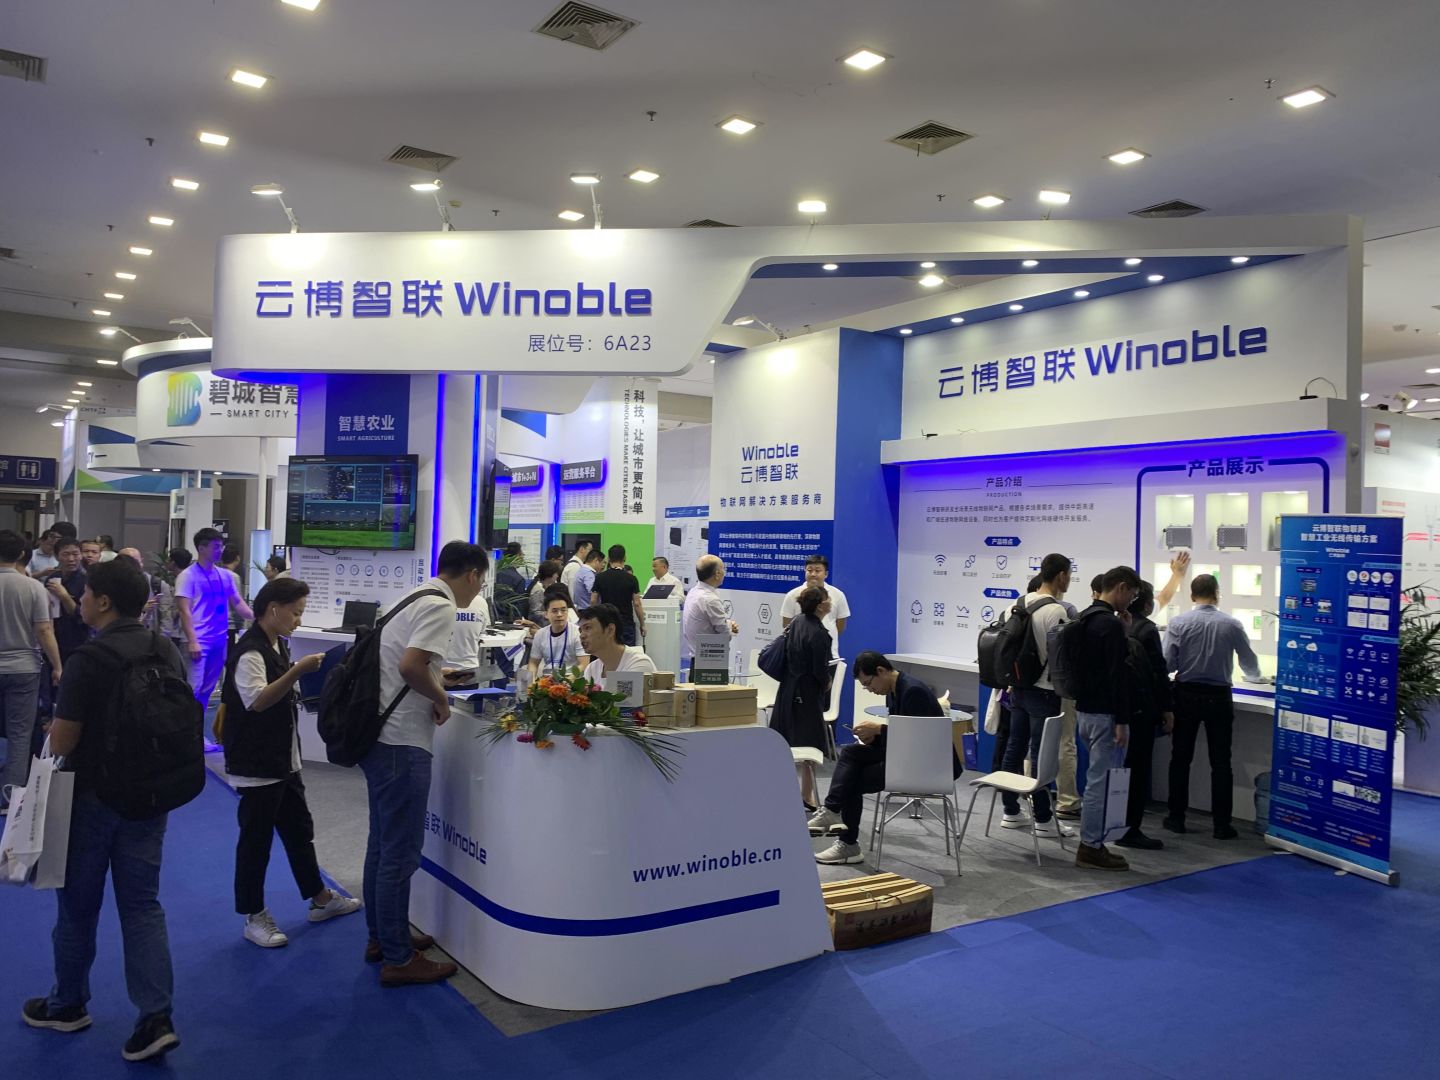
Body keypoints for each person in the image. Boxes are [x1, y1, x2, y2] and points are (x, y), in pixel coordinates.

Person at [21, 559, 186, 1062]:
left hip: (90, 798)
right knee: (142, 906)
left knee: (77, 906)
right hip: (150, 797)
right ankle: (155, 1017)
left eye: (88, 593)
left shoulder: (88, 659)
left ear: (104, 601)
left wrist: (52, 730)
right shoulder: (164, 649)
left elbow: (64, 740)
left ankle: (68, 1003)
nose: (82, 600)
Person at [363, 540, 487, 986]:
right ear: (472, 574)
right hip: (402, 741)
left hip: (379, 736)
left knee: (382, 845)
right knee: (399, 852)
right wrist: (440, 697)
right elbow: (411, 666)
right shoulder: (441, 605)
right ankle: (398, 959)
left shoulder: (413, 595)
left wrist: (438, 676)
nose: (479, 590)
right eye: (481, 581)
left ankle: (383, 937)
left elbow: (409, 662)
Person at [221, 576, 361, 948]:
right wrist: (297, 671)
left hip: (284, 759)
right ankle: (253, 915)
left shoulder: (276, 644)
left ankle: (320, 898)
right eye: (296, 613)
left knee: (299, 831)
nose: (299, 620)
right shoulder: (251, 651)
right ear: (273, 610)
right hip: (257, 763)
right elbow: (257, 701)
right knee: (256, 842)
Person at [809, 652, 957, 864]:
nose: (870, 690)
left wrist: (879, 730)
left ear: (881, 671)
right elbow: (903, 737)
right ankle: (833, 811)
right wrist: (874, 737)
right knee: (850, 753)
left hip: (926, 765)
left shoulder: (913, 691)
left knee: (851, 781)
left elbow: (920, 739)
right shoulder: (895, 689)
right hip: (906, 756)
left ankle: (847, 842)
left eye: (868, 684)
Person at [1163, 572, 1262, 840]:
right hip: (1219, 697)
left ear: (1192, 595)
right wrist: (1255, 678)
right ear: (1217, 594)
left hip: (1186, 695)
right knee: (1221, 762)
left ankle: (1176, 818)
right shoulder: (1232, 624)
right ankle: (1221, 825)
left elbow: (1167, 663)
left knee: (1180, 759)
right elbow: (1249, 662)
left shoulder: (1179, 623)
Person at [1070, 566, 1142, 872]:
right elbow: (1117, 675)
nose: (1131, 602)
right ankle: (1091, 846)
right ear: (1121, 588)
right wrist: (1122, 721)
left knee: (1094, 781)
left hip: (1084, 710)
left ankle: (1093, 843)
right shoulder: (1109, 625)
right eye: (1132, 595)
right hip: (1105, 715)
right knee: (1100, 784)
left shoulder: (1085, 617)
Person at [997, 553, 1074, 838]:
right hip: (1045, 692)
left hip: (1017, 688)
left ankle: (1010, 811)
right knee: (1043, 757)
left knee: (1014, 748)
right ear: (1061, 575)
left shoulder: (1014, 606)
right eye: (1069, 575)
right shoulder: (1056, 612)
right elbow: (1061, 659)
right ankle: (1043, 818)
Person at [0, 529, 61, 811]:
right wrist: (57, 665)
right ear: (23, 554)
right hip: (24, 667)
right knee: (20, 733)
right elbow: (44, 630)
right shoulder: (33, 587)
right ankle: (9, 798)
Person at [175, 528, 253, 736]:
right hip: (198, 641)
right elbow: (184, 611)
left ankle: (197, 735)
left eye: (221, 546)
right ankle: (186, 736)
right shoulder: (187, 576)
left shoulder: (225, 576)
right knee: (193, 689)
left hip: (219, 640)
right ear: (201, 548)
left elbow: (238, 603)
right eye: (216, 547)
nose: (220, 550)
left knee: (207, 690)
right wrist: (192, 640)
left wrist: (258, 617)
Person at [1118, 580, 1173, 850]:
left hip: (1118, 709)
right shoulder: (1148, 630)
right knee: (1138, 771)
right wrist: (1167, 707)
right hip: (1142, 711)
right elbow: (1159, 673)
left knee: (1119, 770)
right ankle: (1131, 829)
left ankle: (1114, 824)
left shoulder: (1118, 624)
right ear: (1147, 604)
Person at [768, 585, 833, 809]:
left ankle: (781, 791)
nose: (830, 602)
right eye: (827, 599)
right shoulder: (820, 634)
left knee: (785, 742)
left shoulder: (796, 622)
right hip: (807, 694)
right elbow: (819, 669)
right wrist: (827, 682)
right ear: (821, 606)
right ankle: (807, 794)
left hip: (787, 690)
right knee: (810, 747)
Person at [780, 554, 850, 661]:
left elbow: (840, 625)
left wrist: (824, 638)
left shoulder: (838, 595)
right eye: (809, 570)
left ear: (826, 574)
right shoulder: (792, 595)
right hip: (799, 656)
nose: (813, 574)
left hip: (829, 653)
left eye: (817, 571)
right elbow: (786, 624)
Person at [682, 554, 739, 668]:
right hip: (710, 663)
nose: (724, 572)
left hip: (698, 659)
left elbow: (705, 622)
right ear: (717, 574)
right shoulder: (710, 599)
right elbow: (725, 635)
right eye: (723, 569)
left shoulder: (693, 592)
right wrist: (728, 626)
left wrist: (727, 624)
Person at [579, 603, 656, 683]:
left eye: (588, 628)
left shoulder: (638, 663)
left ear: (610, 630)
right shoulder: (592, 669)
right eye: (580, 630)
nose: (581, 636)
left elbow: (623, 692)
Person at [44, 538, 90, 662]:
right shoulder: (52, 578)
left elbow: (84, 615)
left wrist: (64, 596)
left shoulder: (87, 580)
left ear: (81, 555)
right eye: (65, 554)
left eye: (75, 554)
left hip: (78, 638)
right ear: (56, 556)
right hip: (54, 635)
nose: (71, 559)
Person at [528, 585, 587, 677]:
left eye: (563, 610)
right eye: (555, 611)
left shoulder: (578, 633)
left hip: (571, 679)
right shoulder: (540, 634)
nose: (559, 614)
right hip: (547, 679)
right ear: (546, 614)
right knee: (522, 674)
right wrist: (531, 682)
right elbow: (533, 663)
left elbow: (584, 664)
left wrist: (568, 680)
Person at [592, 544, 645, 647]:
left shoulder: (600, 577)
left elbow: (593, 601)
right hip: (626, 623)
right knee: (628, 653)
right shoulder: (632, 579)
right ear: (624, 558)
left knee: (607, 651)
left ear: (609, 558)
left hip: (606, 622)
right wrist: (642, 624)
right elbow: (637, 604)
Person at [493, 541, 529, 622]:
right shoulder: (518, 579)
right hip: (509, 620)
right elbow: (519, 607)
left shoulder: (495, 573)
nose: (523, 556)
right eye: (521, 554)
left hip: (492, 616)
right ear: (516, 557)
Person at [527, 559, 563, 624]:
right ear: (550, 574)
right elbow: (535, 612)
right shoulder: (538, 590)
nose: (557, 576)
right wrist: (550, 613)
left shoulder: (546, 587)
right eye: (556, 573)